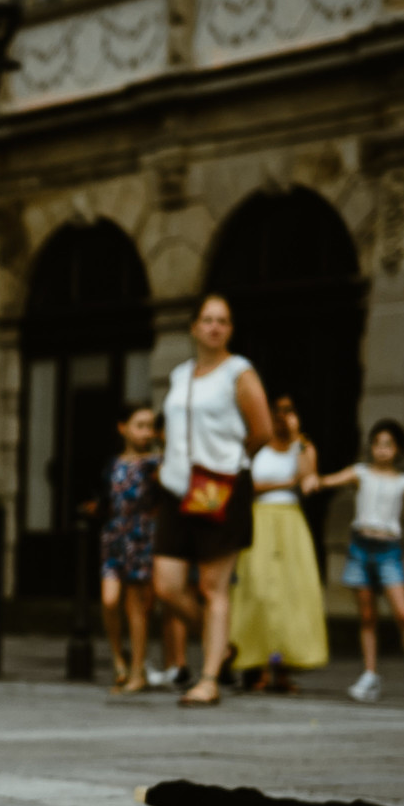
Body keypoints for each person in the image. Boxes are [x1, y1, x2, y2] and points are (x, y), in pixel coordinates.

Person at [153, 294, 273, 706]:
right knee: (166, 584)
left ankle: (208, 679)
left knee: (212, 586)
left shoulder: (239, 372)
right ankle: (220, 645)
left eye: (222, 320)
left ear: (230, 329)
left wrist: (229, 464)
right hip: (177, 487)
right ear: (193, 327)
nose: (214, 327)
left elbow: (261, 430)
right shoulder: (180, 374)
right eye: (207, 320)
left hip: (220, 487)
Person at [310, 419, 404, 703]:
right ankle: (370, 673)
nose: (381, 450)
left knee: (403, 614)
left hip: (388, 547)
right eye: (377, 444)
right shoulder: (360, 473)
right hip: (361, 547)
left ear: (398, 449)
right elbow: (328, 480)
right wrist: (311, 474)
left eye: (387, 444)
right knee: (367, 617)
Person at [229, 394, 328, 693]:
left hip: (290, 522)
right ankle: (256, 665)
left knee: (289, 594)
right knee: (258, 591)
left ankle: (282, 667)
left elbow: (309, 481)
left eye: (288, 411)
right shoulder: (256, 445)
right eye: (277, 411)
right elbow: (250, 486)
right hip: (260, 519)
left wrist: (296, 439)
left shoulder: (304, 446)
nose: (282, 417)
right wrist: (287, 483)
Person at [97, 404, 159, 695]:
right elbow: (106, 498)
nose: (146, 433)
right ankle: (118, 659)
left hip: (141, 536)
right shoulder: (113, 464)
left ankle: (137, 669)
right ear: (123, 427)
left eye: (150, 426)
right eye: (140, 425)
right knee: (110, 600)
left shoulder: (154, 463)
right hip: (115, 535)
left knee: (136, 607)